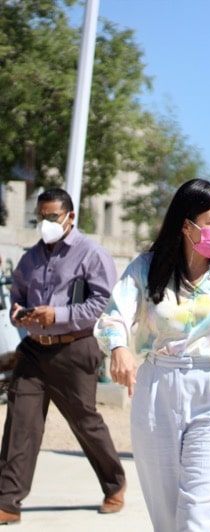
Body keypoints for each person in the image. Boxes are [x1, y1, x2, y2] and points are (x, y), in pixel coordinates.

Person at [93, 179, 210, 531]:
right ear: (186, 225)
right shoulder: (146, 267)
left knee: (196, 517)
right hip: (159, 390)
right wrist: (119, 346)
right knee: (167, 516)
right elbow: (114, 314)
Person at [0, 188, 126, 525]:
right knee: (20, 423)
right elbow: (18, 296)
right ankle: (8, 502)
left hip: (74, 348)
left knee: (84, 421)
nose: (46, 223)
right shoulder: (31, 257)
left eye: (53, 216)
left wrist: (58, 315)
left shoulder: (92, 254)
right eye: (41, 216)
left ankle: (115, 484)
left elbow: (103, 304)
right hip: (33, 352)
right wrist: (19, 314)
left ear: (70, 216)